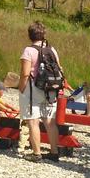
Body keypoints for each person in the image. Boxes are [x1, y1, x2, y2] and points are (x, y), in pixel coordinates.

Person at [18, 21, 62, 162]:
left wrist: (21, 88)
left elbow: (25, 73)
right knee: (50, 121)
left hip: (33, 89)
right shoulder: (52, 50)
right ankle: (54, 152)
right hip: (50, 89)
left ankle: (37, 153)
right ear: (44, 34)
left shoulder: (28, 51)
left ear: (30, 35)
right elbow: (60, 68)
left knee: (33, 121)